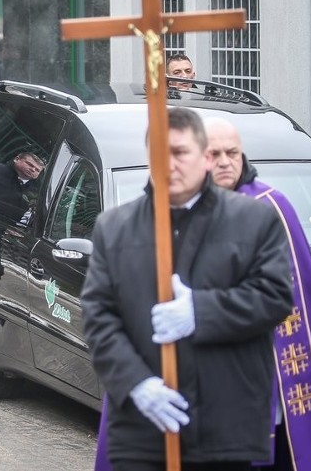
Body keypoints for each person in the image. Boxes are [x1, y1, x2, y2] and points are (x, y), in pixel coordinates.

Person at [82, 107, 293, 471]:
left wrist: (201, 311)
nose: (170, 164)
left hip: (225, 430)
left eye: (180, 153)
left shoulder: (253, 219)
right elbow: (99, 317)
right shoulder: (115, 227)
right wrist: (137, 384)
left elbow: (275, 297)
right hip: (142, 429)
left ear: (203, 157)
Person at [205, 118, 311, 471]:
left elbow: (300, 292)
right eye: (214, 153)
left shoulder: (272, 205)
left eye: (232, 153)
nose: (225, 161)